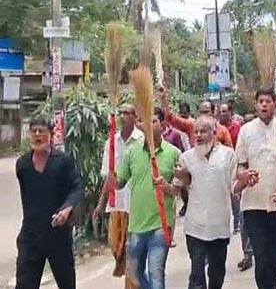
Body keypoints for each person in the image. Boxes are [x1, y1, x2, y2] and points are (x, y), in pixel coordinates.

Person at [235, 87, 276, 289]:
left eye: (267, 101)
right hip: (253, 202)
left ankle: (273, 284)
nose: (263, 104)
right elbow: (240, 164)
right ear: (255, 104)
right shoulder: (246, 130)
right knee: (261, 254)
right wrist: (244, 176)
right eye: (260, 101)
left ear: (275, 103)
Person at [116, 107, 182, 289]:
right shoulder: (131, 152)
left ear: (163, 125)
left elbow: (177, 190)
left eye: (153, 121)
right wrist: (112, 181)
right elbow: (120, 182)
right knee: (133, 271)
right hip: (136, 223)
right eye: (145, 121)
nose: (149, 125)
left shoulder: (174, 153)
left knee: (155, 272)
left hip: (161, 224)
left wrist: (165, 185)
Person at [15, 116, 84, 289]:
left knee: (66, 283)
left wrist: (66, 209)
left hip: (57, 234)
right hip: (31, 236)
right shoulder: (22, 165)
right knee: (24, 283)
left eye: (42, 131)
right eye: (33, 131)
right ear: (29, 135)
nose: (37, 135)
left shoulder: (63, 162)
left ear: (50, 135)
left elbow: (77, 187)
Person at [174, 115, 236, 289]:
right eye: (196, 132)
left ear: (214, 133)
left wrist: (245, 180)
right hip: (195, 227)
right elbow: (176, 188)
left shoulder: (228, 155)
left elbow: (234, 186)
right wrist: (164, 183)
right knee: (196, 276)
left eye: (203, 131)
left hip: (220, 226)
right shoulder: (186, 158)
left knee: (217, 274)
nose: (199, 135)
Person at [94, 104, 145, 289]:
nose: (123, 116)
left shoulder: (142, 141)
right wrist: (100, 204)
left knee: (132, 252)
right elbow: (109, 175)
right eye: (121, 113)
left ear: (135, 116)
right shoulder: (111, 143)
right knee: (116, 248)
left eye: (128, 113)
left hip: (137, 205)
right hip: (116, 204)